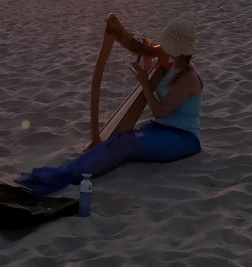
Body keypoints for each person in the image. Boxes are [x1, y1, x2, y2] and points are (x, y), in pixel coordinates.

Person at [15, 18, 202, 195]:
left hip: (183, 138)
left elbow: (159, 111)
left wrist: (144, 82)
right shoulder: (169, 66)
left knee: (124, 144)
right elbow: (153, 86)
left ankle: (67, 175)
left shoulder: (189, 78)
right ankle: (68, 170)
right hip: (161, 129)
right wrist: (145, 64)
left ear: (176, 49)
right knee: (119, 139)